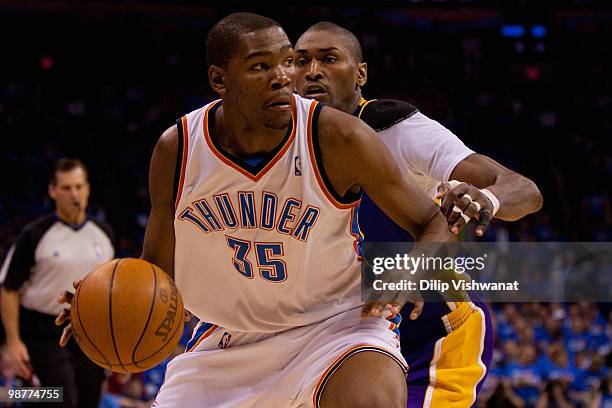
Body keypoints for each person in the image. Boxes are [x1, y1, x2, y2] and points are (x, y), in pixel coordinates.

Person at [54, 12, 457, 407]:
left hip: (337, 326)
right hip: (225, 341)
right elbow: (159, 269)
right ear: (219, 80)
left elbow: (432, 221)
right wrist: (102, 300)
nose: (282, 77)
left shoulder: (340, 137)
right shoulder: (177, 150)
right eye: (260, 66)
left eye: (285, 62)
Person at [293, 21, 543, 407]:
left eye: (328, 59)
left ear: (361, 74)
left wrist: (487, 199)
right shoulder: (280, 143)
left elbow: (524, 189)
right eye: (300, 61)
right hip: (341, 331)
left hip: (430, 331)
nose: (312, 71)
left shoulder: (398, 129)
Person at [0, 158, 115, 407]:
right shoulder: (34, 235)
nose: (74, 194)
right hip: (42, 332)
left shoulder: (104, 234)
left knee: (88, 401)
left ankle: (19, 397)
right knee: (59, 399)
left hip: (89, 331)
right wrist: (13, 342)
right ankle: (17, 396)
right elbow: (8, 289)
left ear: (87, 189)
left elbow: (111, 291)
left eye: (79, 186)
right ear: (53, 191)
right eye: (66, 188)